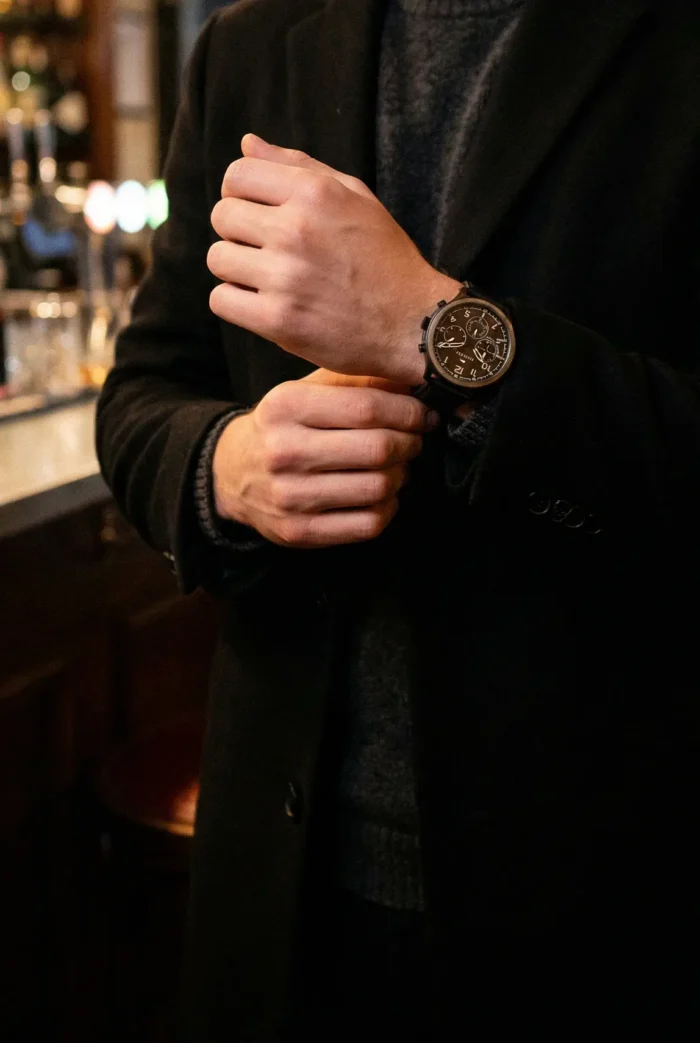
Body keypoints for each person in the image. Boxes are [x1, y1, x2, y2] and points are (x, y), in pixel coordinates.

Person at [95, 0, 700, 1039]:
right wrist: (227, 468)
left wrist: (437, 332)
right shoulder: (250, 43)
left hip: (617, 896)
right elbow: (146, 393)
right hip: (284, 885)